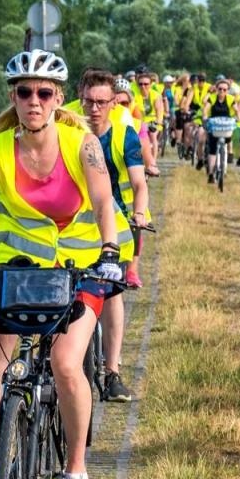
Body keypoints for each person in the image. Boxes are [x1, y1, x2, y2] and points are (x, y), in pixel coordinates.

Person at [0, 50, 129, 479]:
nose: (34, 101)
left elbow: (104, 199)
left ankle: (77, 475)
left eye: (44, 93)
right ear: (13, 96)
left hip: (83, 266)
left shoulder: (81, 143)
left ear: (58, 99)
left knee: (67, 364)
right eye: (24, 92)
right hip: (22, 267)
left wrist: (110, 250)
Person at [75, 69, 145, 402]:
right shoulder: (65, 127)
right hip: (68, 224)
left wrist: (140, 212)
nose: (94, 109)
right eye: (88, 101)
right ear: (79, 97)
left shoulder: (123, 135)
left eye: (102, 102)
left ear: (114, 102)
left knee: (112, 292)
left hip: (112, 223)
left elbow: (139, 183)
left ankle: (113, 370)